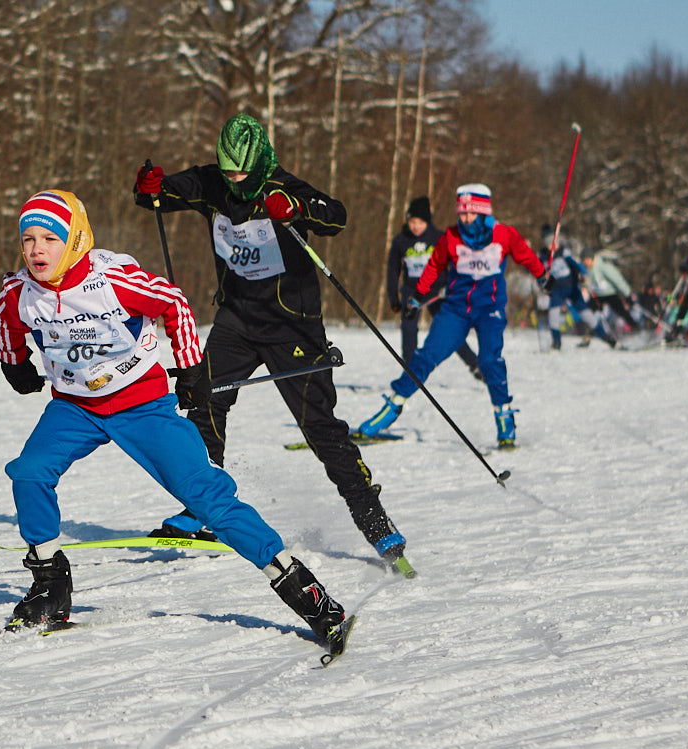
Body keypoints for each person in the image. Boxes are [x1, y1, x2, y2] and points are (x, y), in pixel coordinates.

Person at [0, 189, 350, 652]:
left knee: (206, 497)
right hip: (75, 407)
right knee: (29, 472)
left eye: (50, 238)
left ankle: (309, 595)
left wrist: (191, 368)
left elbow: (172, 303)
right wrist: (14, 363)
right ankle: (49, 585)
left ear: (76, 240)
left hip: (141, 404)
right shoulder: (21, 292)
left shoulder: (112, 280)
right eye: (28, 240)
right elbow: (7, 324)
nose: (37, 249)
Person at [133, 113, 410, 574]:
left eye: (243, 172)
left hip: (293, 327)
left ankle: (376, 522)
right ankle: (202, 509)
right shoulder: (212, 183)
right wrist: (150, 185)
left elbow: (336, 217)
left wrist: (297, 209)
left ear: (260, 161)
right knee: (203, 398)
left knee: (320, 428)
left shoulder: (283, 187)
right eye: (229, 172)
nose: (236, 181)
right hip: (237, 321)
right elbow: (158, 196)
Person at [355, 183, 546, 448]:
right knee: (425, 357)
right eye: (461, 213)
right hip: (456, 310)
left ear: (483, 212)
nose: (465, 219)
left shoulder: (503, 234)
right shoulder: (451, 237)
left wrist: (542, 275)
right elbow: (434, 265)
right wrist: (418, 296)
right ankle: (391, 409)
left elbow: (525, 256)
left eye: (471, 213)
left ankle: (504, 417)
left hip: (489, 309)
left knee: (489, 361)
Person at [387, 195, 480, 374]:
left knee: (448, 330)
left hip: (438, 290)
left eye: (420, 222)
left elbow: (456, 263)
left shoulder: (439, 238)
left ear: (427, 222)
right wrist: (393, 298)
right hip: (412, 291)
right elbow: (393, 270)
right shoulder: (401, 241)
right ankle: (410, 370)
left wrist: (454, 287)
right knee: (408, 327)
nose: (415, 226)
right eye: (412, 221)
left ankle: (475, 364)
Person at [539, 226, 617, 350]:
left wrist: (583, 274)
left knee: (587, 315)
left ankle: (608, 339)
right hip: (556, 290)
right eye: (549, 245)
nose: (553, 246)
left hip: (571, 288)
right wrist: (542, 283)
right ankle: (556, 342)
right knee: (553, 315)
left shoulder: (564, 252)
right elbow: (537, 272)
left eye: (554, 243)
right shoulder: (542, 256)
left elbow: (576, 265)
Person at [583, 247, 639, 333]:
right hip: (597, 296)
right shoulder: (587, 269)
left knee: (621, 312)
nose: (585, 263)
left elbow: (617, 279)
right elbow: (588, 283)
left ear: (591, 258)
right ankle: (590, 334)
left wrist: (627, 293)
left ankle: (636, 329)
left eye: (586, 260)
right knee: (588, 312)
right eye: (584, 260)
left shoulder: (603, 265)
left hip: (610, 293)